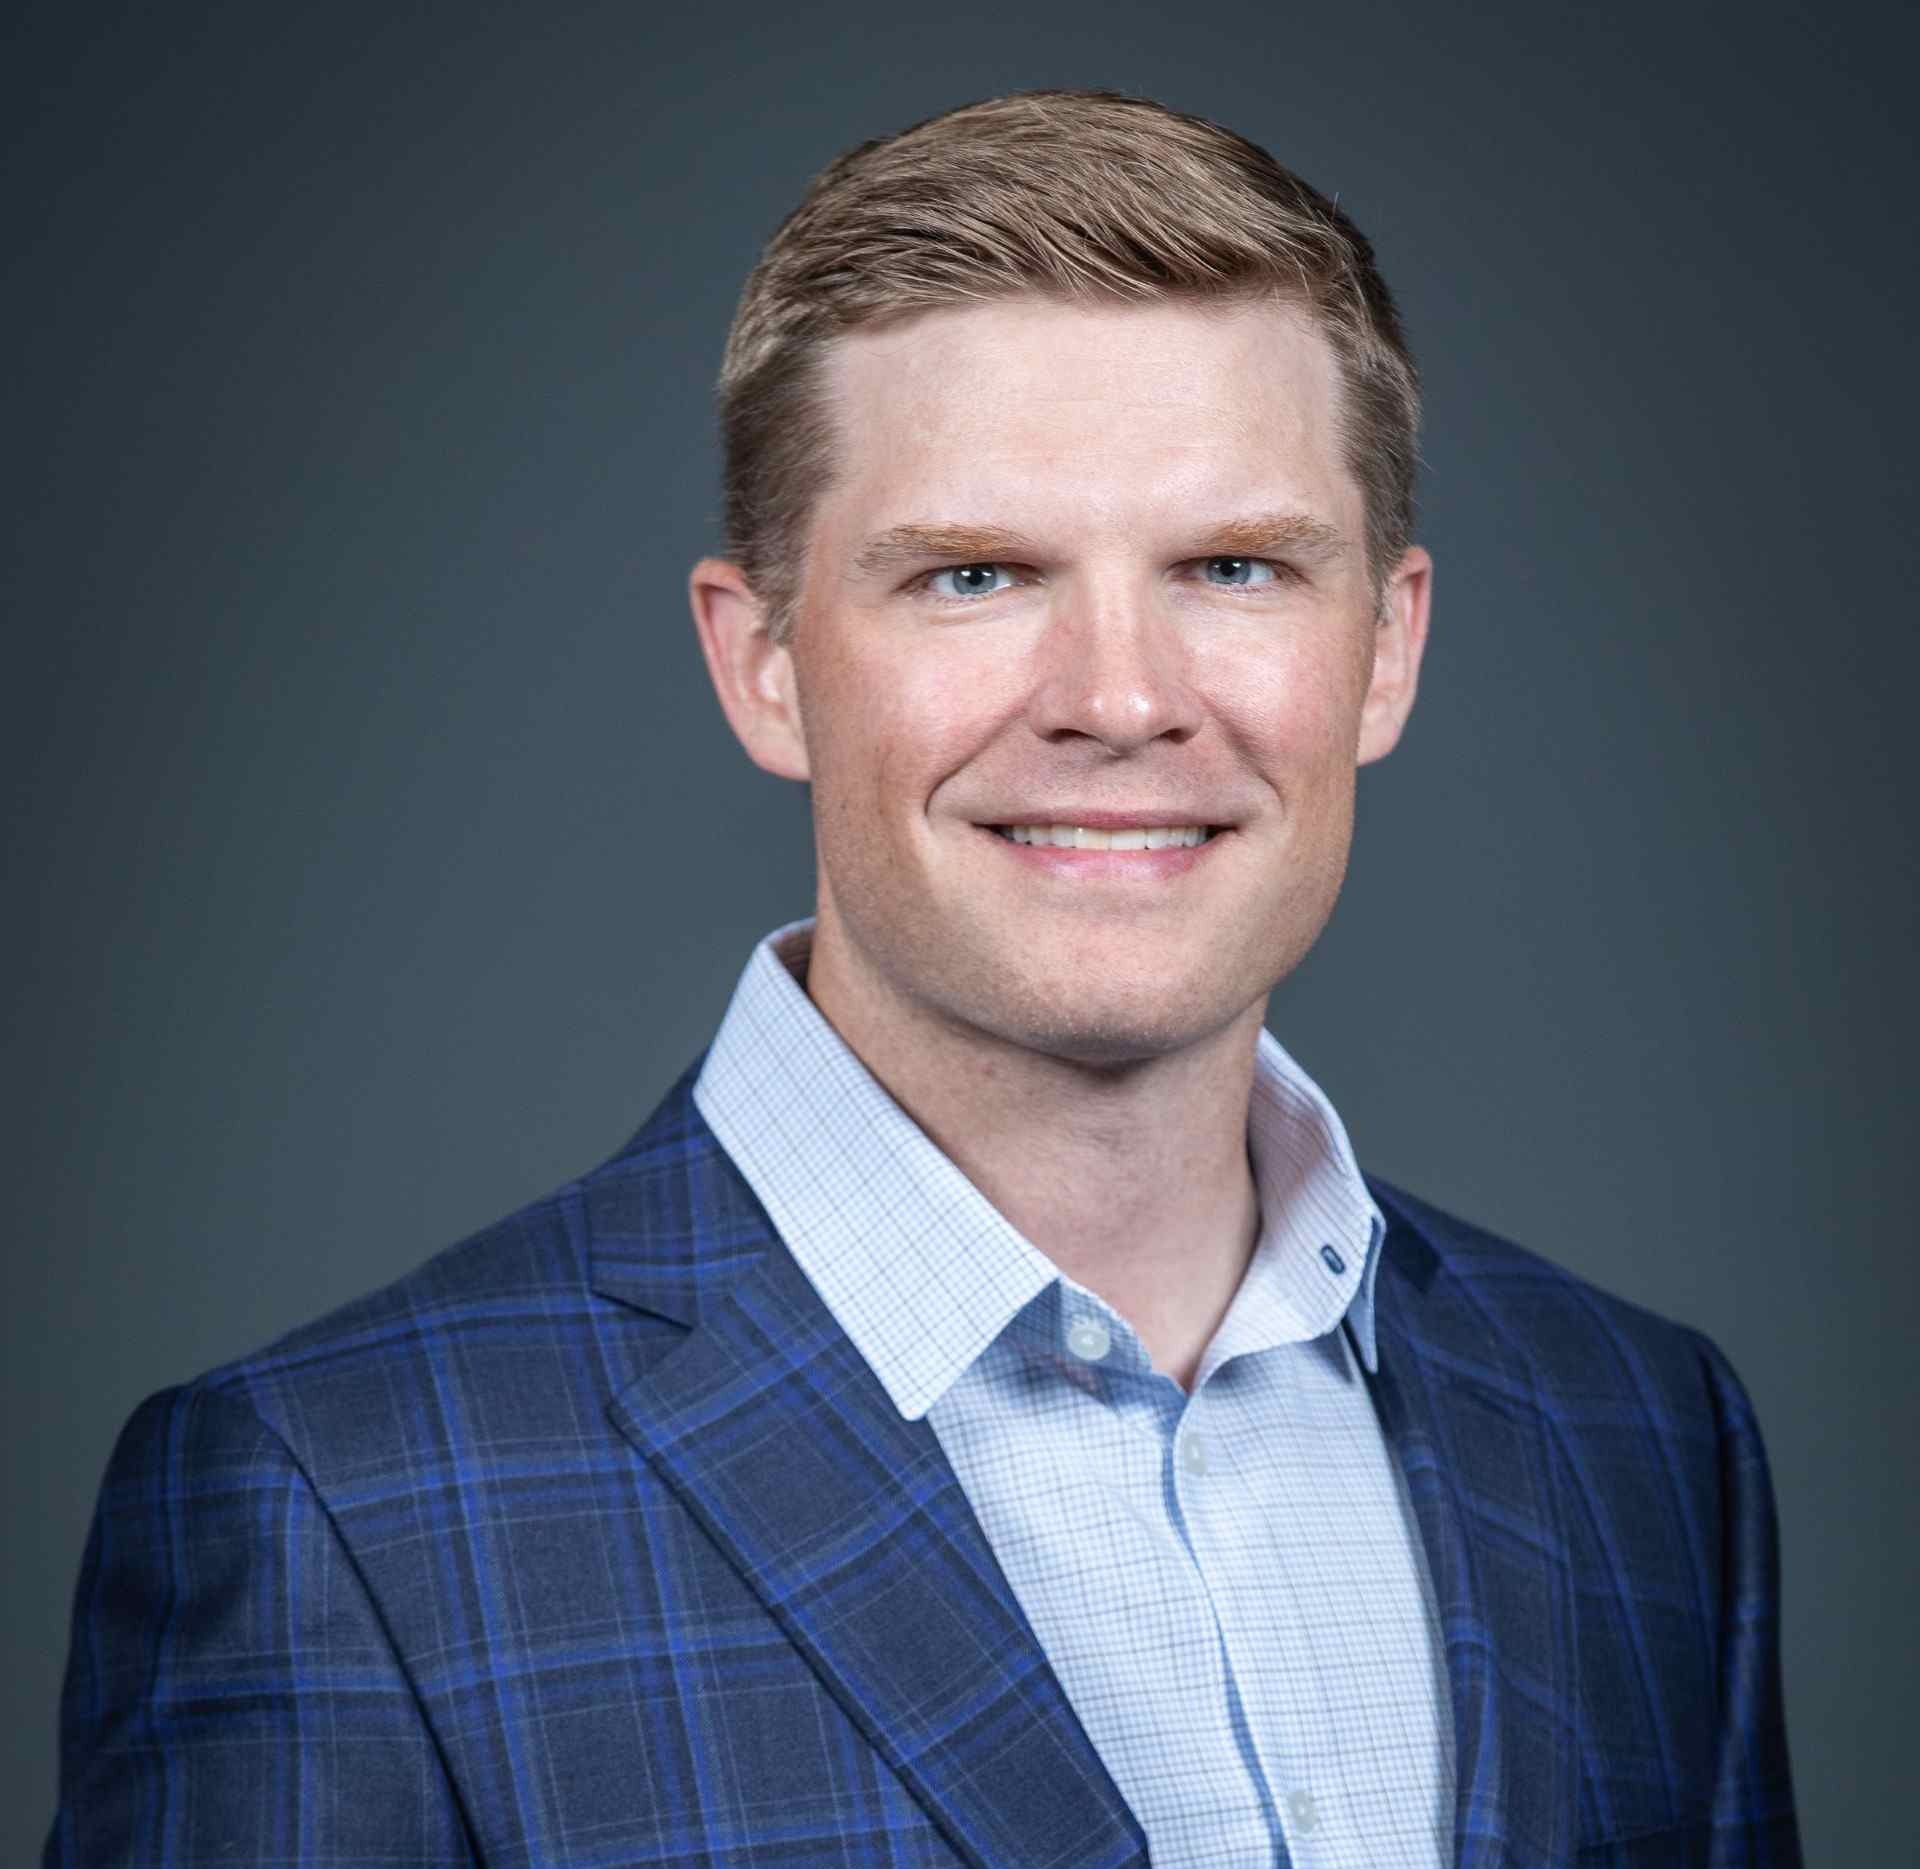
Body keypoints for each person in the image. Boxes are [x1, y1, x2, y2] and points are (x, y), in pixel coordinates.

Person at [46, 90, 1799, 1868]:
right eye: (975, 574)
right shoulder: (341, 1505)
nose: (1121, 698)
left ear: (1388, 648)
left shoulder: (1638, 1436)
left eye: (1234, 567)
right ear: (765, 663)